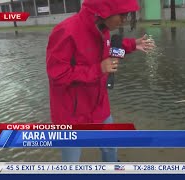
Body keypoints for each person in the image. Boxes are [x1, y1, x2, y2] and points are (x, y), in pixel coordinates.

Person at [46, 0, 155, 162]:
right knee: (71, 160)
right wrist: (99, 69)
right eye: (122, 15)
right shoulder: (65, 31)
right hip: (70, 113)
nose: (124, 20)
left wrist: (133, 45)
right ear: (104, 11)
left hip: (98, 106)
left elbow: (107, 49)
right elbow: (57, 74)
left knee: (111, 145)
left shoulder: (102, 29)